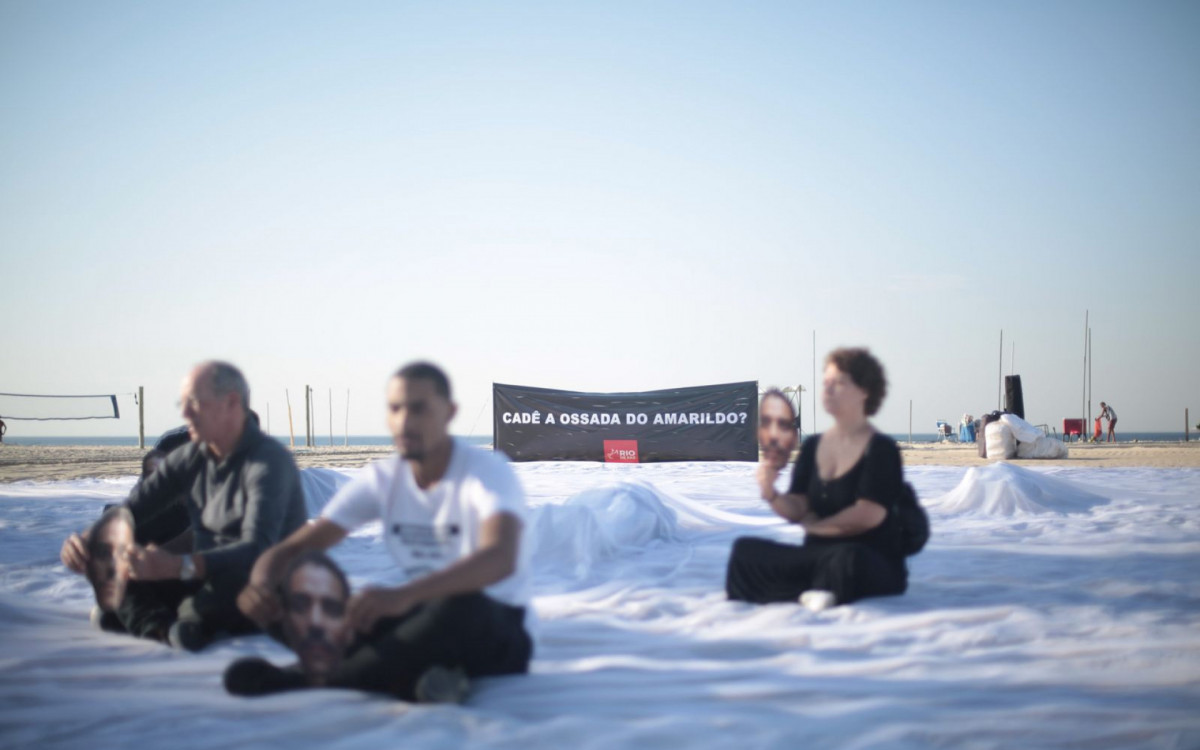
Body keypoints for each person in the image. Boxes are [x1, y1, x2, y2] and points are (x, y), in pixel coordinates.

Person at [228, 362, 533, 702]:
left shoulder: (486, 471)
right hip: (420, 616)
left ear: (449, 413)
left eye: (418, 409)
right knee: (289, 593)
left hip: (493, 627)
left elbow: (500, 558)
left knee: (456, 605)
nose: (405, 421)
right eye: (395, 408)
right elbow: (300, 546)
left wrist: (404, 595)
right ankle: (422, 677)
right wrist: (261, 585)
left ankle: (313, 679)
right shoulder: (385, 478)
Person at [60, 361, 307, 650]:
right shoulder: (189, 458)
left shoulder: (268, 462)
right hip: (201, 575)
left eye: (196, 403)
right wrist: (86, 541)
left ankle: (186, 622)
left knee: (227, 588)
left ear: (231, 403)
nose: (185, 413)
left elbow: (257, 548)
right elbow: (134, 509)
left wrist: (177, 565)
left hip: (258, 581)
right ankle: (159, 627)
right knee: (119, 566)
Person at [726, 347, 908, 609]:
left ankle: (815, 587)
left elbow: (869, 515)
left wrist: (816, 526)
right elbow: (799, 506)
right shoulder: (813, 448)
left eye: (839, 383)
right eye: (826, 383)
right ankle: (815, 588)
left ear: (864, 391)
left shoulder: (880, 449)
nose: (828, 389)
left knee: (847, 557)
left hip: (866, 556)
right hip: (818, 555)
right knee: (745, 551)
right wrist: (772, 493)